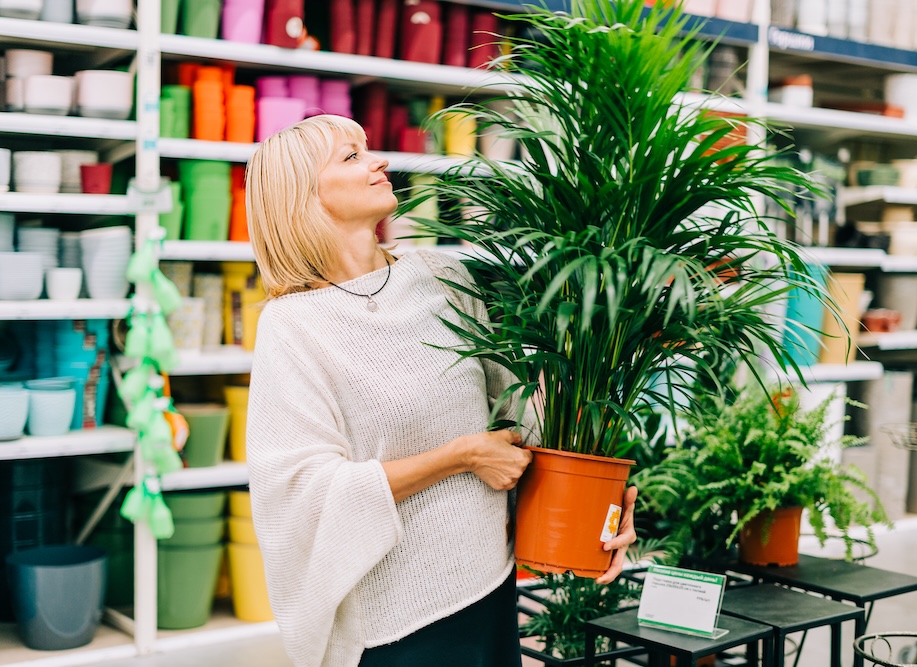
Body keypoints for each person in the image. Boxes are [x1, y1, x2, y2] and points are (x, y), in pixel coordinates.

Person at [243, 114, 638, 667]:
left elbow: (519, 415)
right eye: (351, 156)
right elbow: (304, 494)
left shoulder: (440, 275)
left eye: (368, 148)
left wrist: (601, 488)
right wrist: (459, 455)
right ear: (303, 196)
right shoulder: (294, 326)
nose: (380, 161)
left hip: (491, 585)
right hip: (399, 625)